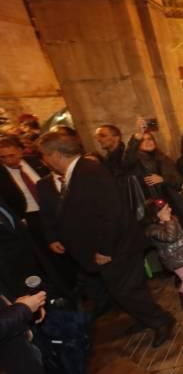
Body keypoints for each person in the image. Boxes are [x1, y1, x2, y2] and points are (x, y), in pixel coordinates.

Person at [36, 130, 175, 347]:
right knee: (125, 290)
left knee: (127, 291)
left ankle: (161, 321)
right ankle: (146, 319)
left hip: (116, 248)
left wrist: (105, 250)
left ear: (55, 154)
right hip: (112, 247)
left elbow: (112, 213)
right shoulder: (79, 171)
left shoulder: (89, 171)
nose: (44, 161)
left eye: (44, 155)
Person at [123, 122, 183, 227]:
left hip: (172, 205)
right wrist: (136, 138)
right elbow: (127, 161)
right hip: (151, 209)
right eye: (143, 140)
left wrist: (163, 179)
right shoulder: (135, 162)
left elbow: (179, 181)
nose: (148, 142)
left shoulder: (164, 159)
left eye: (150, 139)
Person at [0, 135, 50, 242]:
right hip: (29, 217)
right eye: (3, 157)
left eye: (11, 155)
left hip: (50, 210)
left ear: (20, 151)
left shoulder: (35, 161)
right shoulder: (2, 174)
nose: (8, 160)